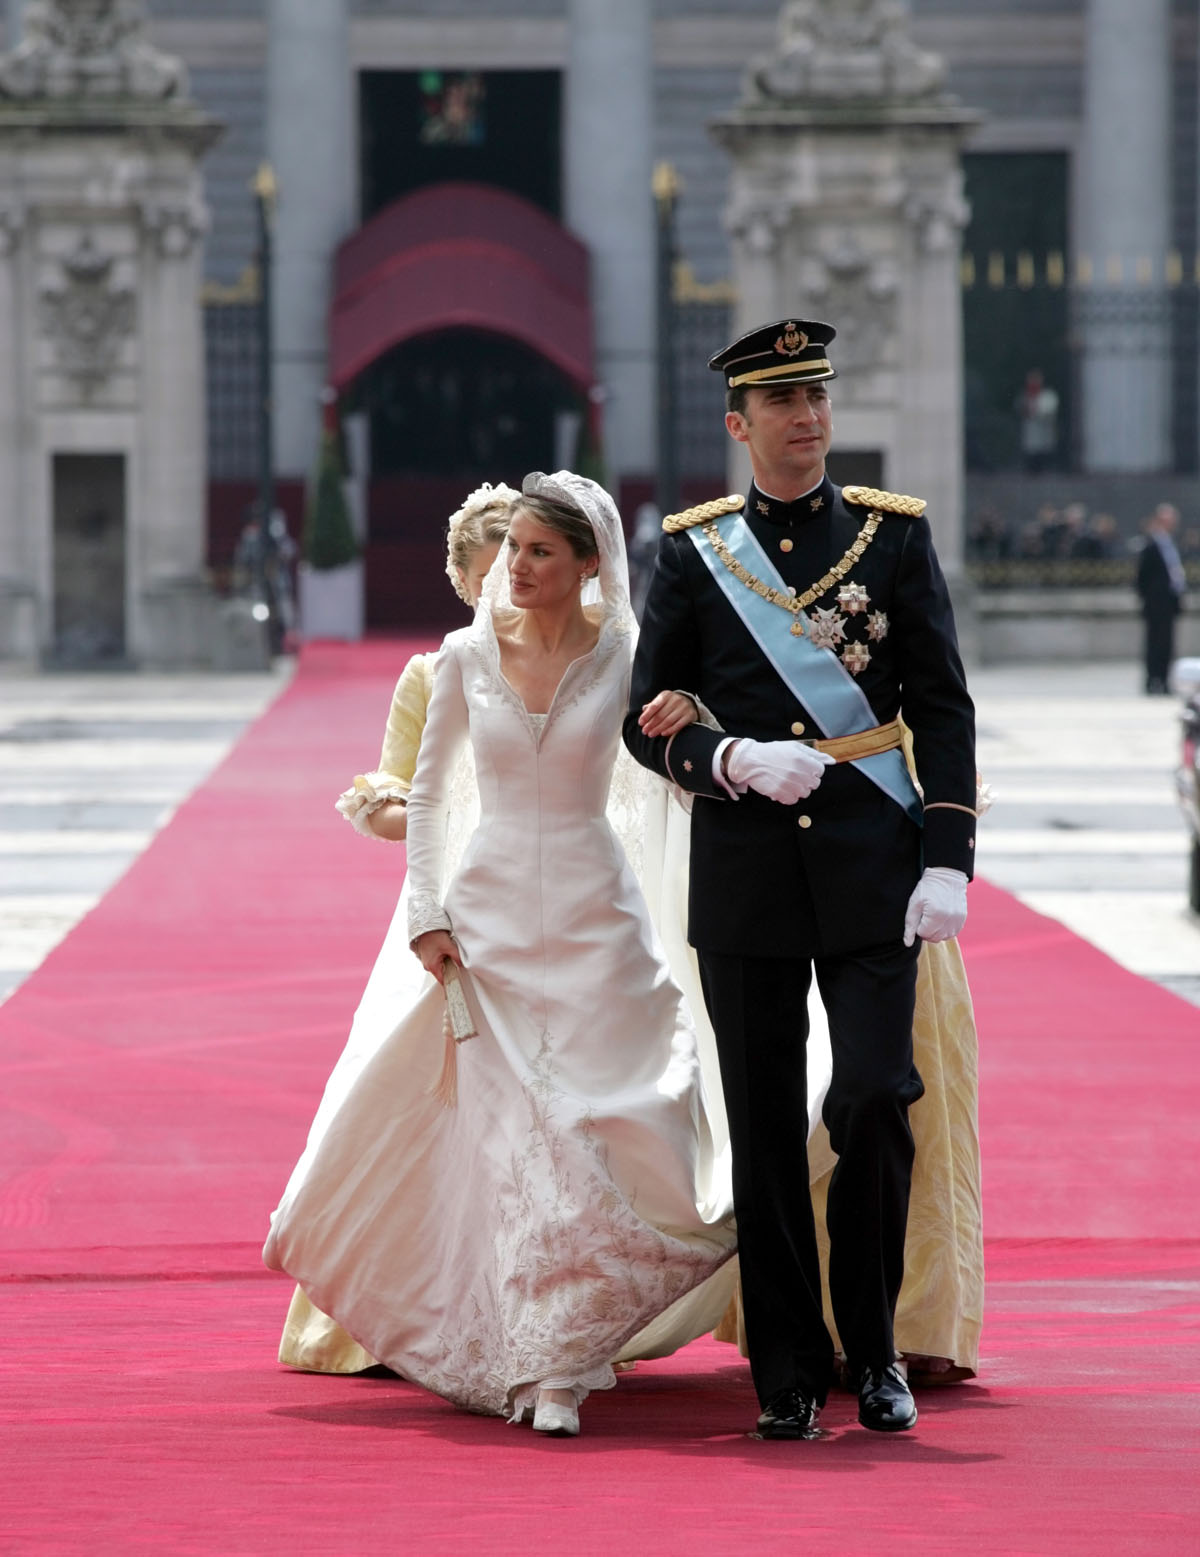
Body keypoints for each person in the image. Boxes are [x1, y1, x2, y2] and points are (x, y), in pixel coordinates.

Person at [264, 471, 741, 1437]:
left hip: (596, 917)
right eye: (511, 549)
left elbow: (671, 770)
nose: (512, 568)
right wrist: (427, 914)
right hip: (484, 924)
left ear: (587, 565)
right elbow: (432, 796)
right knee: (519, 1144)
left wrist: (706, 732)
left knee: (623, 1121)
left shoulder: (629, 655)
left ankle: (574, 1335)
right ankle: (547, 1366)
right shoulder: (461, 656)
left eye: (537, 552)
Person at [624, 318, 978, 1438]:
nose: (807, 417)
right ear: (741, 424)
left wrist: (949, 857)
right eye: (781, 402)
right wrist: (722, 758)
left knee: (875, 1098)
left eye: (817, 396)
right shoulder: (692, 552)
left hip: (876, 864)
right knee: (765, 1125)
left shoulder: (892, 540)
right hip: (748, 873)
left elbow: (945, 706)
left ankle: (875, 1353)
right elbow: (647, 721)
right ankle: (785, 1370)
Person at [274, 482, 515, 1373]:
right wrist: (432, 813)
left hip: (551, 903)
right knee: (423, 1107)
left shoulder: (583, 660)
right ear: (460, 580)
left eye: (519, 569)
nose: (504, 591)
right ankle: (399, 1304)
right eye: (485, 575)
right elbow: (386, 793)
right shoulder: (432, 671)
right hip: (451, 909)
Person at [1136, 502, 1187, 695]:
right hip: (1155, 604)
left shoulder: (1171, 544)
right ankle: (1152, 680)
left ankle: (1164, 680)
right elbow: (1142, 577)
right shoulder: (1150, 545)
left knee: (1167, 645)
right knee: (1154, 644)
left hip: (1169, 604)